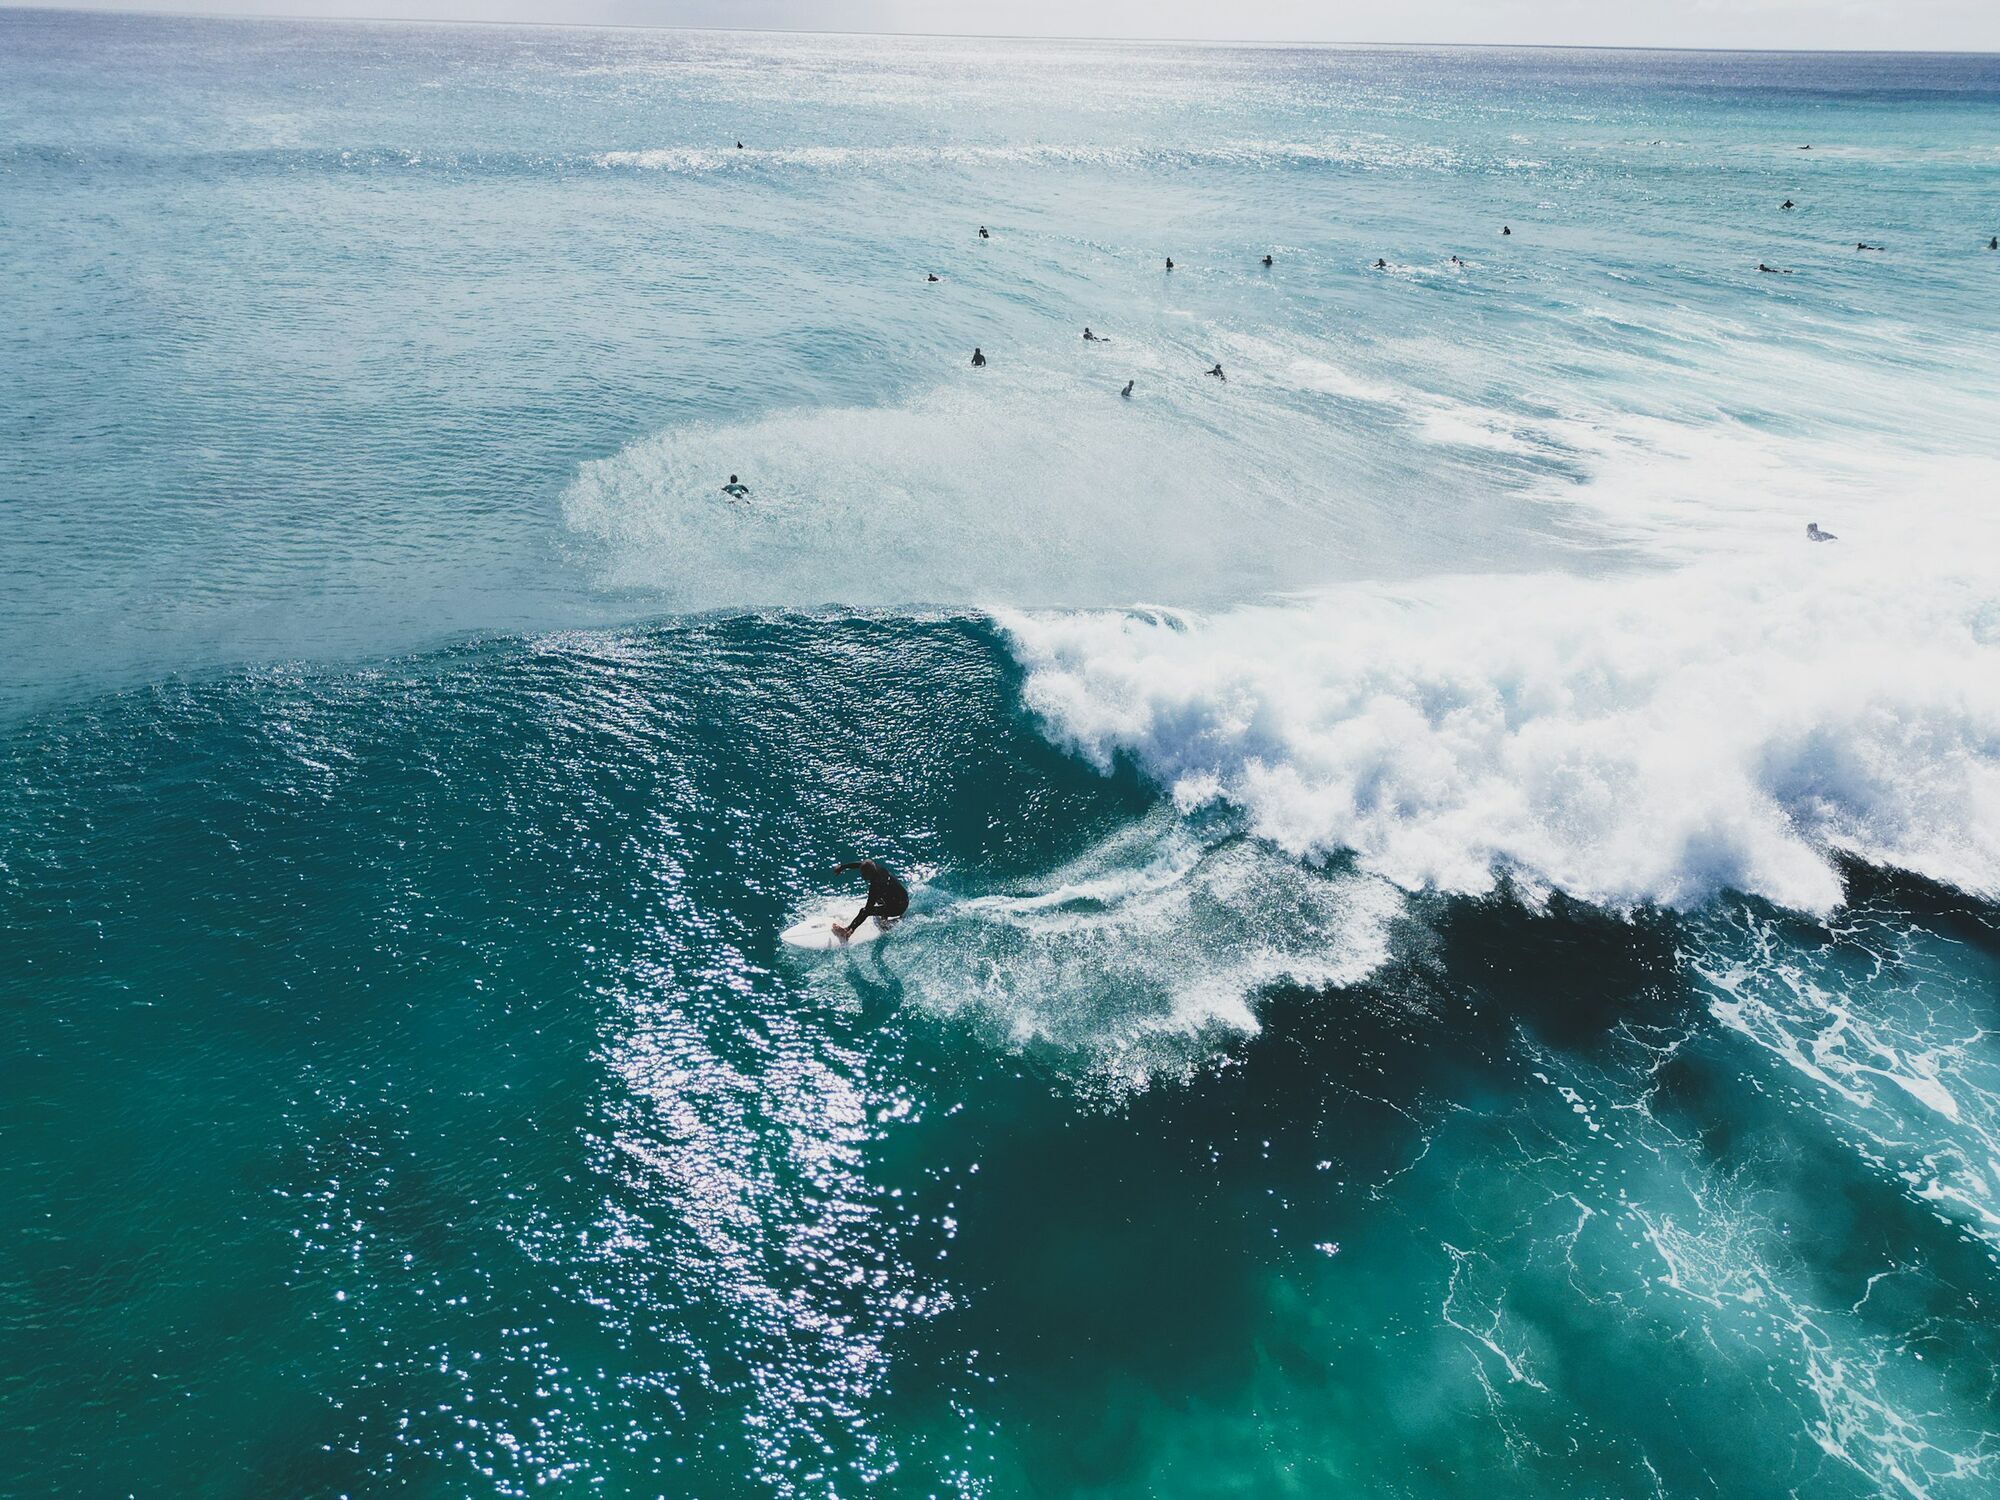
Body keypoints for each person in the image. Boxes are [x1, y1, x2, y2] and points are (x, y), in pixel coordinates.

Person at [830, 859, 909, 942]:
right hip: (903, 897)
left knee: (864, 911)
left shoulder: (876, 885)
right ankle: (885, 918)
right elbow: (860, 864)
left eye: (864, 874)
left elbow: (868, 909)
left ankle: (847, 932)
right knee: (882, 896)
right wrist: (842, 867)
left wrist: (854, 925)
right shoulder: (876, 868)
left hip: (899, 907)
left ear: (870, 873)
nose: (862, 876)